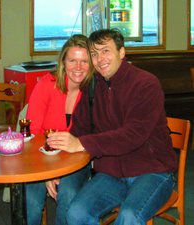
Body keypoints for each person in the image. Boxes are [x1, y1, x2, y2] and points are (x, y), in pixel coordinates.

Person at [47, 29, 178, 225]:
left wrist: (82, 143)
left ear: (122, 52)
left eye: (106, 51)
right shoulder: (92, 87)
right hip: (111, 172)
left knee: (129, 215)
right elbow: (78, 131)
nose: (100, 59)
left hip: (152, 170)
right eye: (94, 53)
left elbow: (133, 134)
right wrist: (55, 171)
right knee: (76, 212)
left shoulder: (146, 84)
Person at [25, 34, 94, 225]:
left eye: (84, 61)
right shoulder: (47, 85)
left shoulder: (94, 91)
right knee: (30, 199)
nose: (78, 68)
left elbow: (94, 136)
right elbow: (33, 131)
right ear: (63, 61)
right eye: (73, 60)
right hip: (41, 156)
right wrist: (50, 171)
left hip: (77, 159)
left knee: (68, 192)